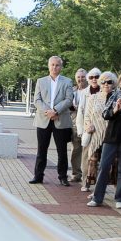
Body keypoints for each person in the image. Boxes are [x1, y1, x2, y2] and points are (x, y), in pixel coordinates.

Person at [88, 70, 121, 209]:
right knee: (104, 167)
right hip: (110, 137)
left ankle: (120, 198)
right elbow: (105, 115)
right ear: (119, 82)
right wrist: (115, 109)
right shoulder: (112, 95)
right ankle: (97, 198)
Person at [29, 56, 73, 186]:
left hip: (60, 120)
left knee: (62, 151)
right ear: (49, 66)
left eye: (57, 65)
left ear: (61, 67)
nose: (54, 67)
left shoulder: (67, 82)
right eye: (52, 65)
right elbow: (37, 100)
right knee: (41, 150)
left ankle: (63, 176)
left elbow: (69, 99)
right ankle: (38, 176)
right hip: (44, 119)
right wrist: (48, 111)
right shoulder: (40, 81)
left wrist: (56, 111)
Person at [82, 73, 114, 193]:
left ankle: (101, 188)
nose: (106, 84)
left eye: (109, 82)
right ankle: (87, 183)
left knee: (107, 164)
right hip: (95, 134)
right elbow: (87, 116)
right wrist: (87, 125)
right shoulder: (93, 98)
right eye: (103, 82)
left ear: (113, 84)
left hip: (110, 134)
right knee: (92, 161)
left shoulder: (115, 97)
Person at [77, 67, 101, 190]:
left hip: (101, 130)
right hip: (87, 129)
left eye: (96, 76)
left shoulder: (105, 90)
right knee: (86, 157)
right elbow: (80, 112)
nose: (94, 79)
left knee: (98, 159)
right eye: (91, 77)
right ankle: (85, 182)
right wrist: (82, 129)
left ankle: (98, 185)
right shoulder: (84, 93)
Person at [69, 69, 88, 181]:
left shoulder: (91, 91)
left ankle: (87, 176)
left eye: (83, 77)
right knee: (75, 150)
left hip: (87, 124)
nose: (81, 79)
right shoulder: (73, 90)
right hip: (75, 123)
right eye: (79, 77)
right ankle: (76, 174)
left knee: (87, 151)